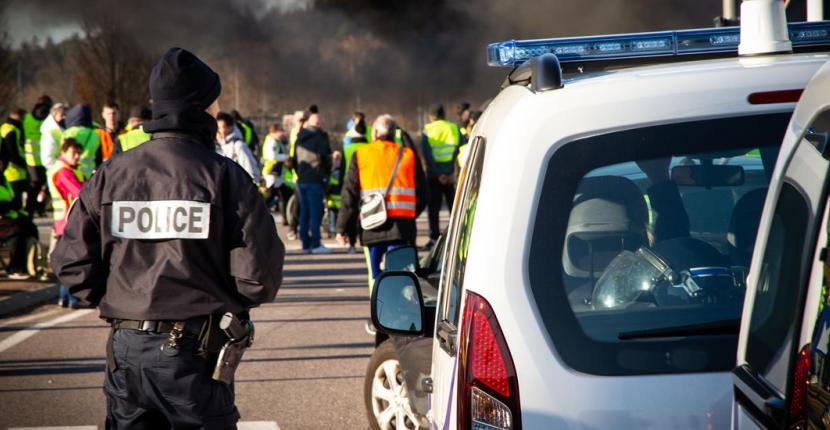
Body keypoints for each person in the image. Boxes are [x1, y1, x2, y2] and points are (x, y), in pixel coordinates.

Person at [51, 47, 285, 428]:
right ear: (201, 108)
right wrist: (222, 305)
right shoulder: (224, 177)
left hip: (126, 348)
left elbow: (71, 262)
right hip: (196, 350)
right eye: (214, 102)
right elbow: (258, 276)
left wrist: (124, 303)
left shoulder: (112, 173)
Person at [336, 114, 428, 278]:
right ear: (394, 134)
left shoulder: (361, 154)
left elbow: (349, 195)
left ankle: (378, 301)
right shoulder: (408, 155)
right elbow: (423, 193)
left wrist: (342, 227)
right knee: (402, 277)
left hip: (372, 224)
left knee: (376, 276)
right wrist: (411, 215)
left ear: (375, 133)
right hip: (402, 227)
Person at [46, 138, 84, 307]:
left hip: (63, 220)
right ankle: (71, 298)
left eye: (78, 153)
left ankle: (66, 297)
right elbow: (79, 192)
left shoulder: (67, 169)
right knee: (72, 261)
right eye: (73, 153)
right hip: (68, 221)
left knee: (68, 261)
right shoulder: (64, 171)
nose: (77, 157)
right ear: (64, 152)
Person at [421, 104, 461, 247]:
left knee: (433, 209)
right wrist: (452, 173)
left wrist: (438, 174)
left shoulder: (428, 130)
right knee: (455, 208)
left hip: (434, 176)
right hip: (451, 176)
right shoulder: (454, 128)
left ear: (432, 116)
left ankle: (434, 238)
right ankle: (457, 236)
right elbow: (462, 150)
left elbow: (427, 155)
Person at [294, 112, 332, 254]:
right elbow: (325, 158)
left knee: (305, 212)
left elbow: (293, 158)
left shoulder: (300, 136)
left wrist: (299, 174)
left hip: (302, 179)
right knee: (316, 212)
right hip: (315, 179)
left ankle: (305, 244)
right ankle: (316, 243)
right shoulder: (319, 137)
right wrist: (326, 173)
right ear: (318, 123)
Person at [23, 95, 52, 216]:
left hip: (31, 160)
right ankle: (39, 209)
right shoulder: (48, 119)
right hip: (45, 158)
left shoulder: (27, 118)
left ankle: (30, 210)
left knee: (34, 187)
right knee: (45, 186)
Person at [216, 111, 261, 182]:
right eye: (217, 128)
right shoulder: (218, 146)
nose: (219, 131)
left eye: (221, 127)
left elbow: (252, 173)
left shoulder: (238, 146)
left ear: (230, 127)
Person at [1, 109, 29, 217]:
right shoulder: (11, 130)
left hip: (13, 170)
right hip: (14, 171)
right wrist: (23, 165)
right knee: (16, 200)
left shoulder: (6, 127)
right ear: (19, 116)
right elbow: (12, 151)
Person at [261, 123, 292, 218]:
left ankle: (285, 218)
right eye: (280, 131)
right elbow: (272, 156)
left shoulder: (276, 141)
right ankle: (260, 211)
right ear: (274, 132)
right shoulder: (272, 142)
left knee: (283, 195)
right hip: (272, 172)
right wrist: (286, 157)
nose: (282, 133)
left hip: (277, 174)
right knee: (271, 195)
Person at [62, 104, 101, 179]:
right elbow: (98, 157)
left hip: (74, 173)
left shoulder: (67, 133)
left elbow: (62, 154)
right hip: (90, 175)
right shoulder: (94, 134)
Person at [39, 102, 66, 169]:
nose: (64, 117)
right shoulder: (49, 132)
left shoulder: (62, 128)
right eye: (62, 115)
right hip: (57, 172)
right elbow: (47, 160)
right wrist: (59, 170)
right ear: (54, 114)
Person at [326, 150, 343, 240]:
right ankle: (332, 231)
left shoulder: (342, 172)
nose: (336, 161)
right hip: (331, 200)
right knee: (332, 216)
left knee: (338, 217)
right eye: (334, 159)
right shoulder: (329, 172)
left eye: (338, 159)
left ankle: (336, 231)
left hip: (340, 200)